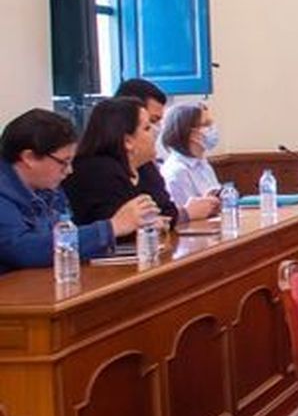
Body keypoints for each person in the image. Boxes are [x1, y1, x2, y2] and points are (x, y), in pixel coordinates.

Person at [1, 109, 152, 271]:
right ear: (29, 158)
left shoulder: (48, 188)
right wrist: (112, 227)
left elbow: (64, 234)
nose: (69, 170)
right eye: (63, 162)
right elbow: (21, 250)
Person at [63, 97, 181, 229]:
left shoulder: (145, 166)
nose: (155, 132)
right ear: (127, 141)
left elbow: (170, 212)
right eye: (147, 128)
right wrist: (152, 224)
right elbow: (119, 228)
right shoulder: (95, 171)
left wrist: (154, 223)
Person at [113, 77, 216, 219]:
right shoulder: (104, 169)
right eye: (151, 123)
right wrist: (186, 213)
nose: (157, 130)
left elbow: (165, 210)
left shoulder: (147, 165)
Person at [158, 102, 222, 215]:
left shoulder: (203, 165)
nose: (213, 128)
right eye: (207, 124)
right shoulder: (176, 172)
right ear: (191, 133)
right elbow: (184, 219)